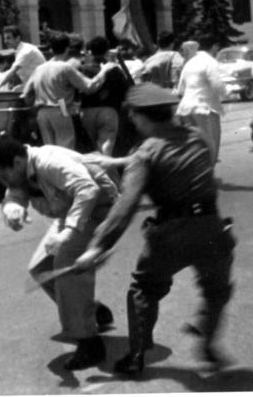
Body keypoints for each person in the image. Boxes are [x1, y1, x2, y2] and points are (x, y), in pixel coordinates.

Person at [73, 83, 236, 375]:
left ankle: (136, 356)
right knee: (216, 291)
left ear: (139, 116)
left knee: (144, 289)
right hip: (212, 228)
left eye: (133, 116)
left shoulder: (145, 152)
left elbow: (125, 207)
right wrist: (122, 161)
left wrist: (98, 246)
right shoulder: (196, 138)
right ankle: (209, 346)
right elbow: (173, 157)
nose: (132, 121)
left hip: (172, 232)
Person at [0, 136, 119, 370]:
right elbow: (14, 194)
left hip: (99, 212)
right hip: (72, 213)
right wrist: (13, 208)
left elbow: (88, 189)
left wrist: (68, 232)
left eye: (3, 175)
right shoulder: (22, 170)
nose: (3, 181)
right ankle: (92, 312)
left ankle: (89, 343)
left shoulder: (50, 162)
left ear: (16, 163)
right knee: (40, 268)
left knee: (66, 265)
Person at [175, 33, 227, 165]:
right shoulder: (210, 62)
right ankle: (207, 175)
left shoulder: (189, 63)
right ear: (215, 47)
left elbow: (181, 88)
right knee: (211, 144)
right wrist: (226, 92)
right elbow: (217, 84)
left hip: (186, 108)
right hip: (205, 108)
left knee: (193, 144)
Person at [78, 36, 131, 156]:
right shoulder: (113, 69)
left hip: (86, 111)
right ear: (107, 51)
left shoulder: (83, 69)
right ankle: (105, 172)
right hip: (109, 111)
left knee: (93, 150)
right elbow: (127, 88)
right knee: (105, 149)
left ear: (90, 51)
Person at [0, 25, 46, 90]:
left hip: (41, 86)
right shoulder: (18, 50)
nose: (5, 41)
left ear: (17, 38)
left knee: (15, 91)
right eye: (4, 38)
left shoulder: (25, 51)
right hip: (33, 84)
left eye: (8, 38)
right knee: (15, 90)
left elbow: (13, 71)